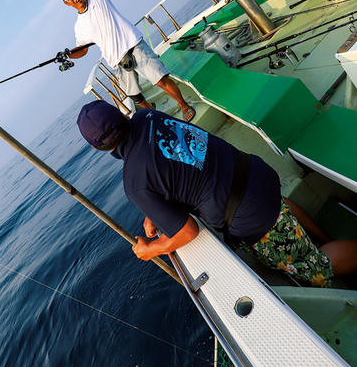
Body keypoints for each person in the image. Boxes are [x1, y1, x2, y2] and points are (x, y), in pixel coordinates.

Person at [76, 99, 357, 288]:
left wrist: (152, 249)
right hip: (255, 172)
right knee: (278, 208)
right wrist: (153, 209)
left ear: (97, 148)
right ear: (122, 114)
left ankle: (330, 251)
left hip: (247, 212)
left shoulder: (134, 184)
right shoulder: (148, 115)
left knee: (315, 268)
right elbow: (173, 161)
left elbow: (187, 232)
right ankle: (326, 238)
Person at [57, 0, 196, 121]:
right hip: (116, 61)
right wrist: (69, 54)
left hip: (133, 44)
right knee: (136, 96)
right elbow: (83, 49)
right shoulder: (79, 26)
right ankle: (154, 113)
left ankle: (184, 105)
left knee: (160, 80)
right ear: (66, 3)